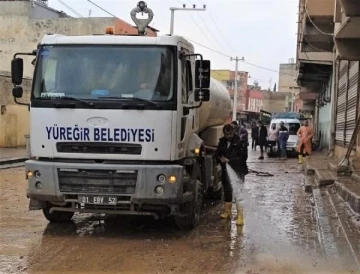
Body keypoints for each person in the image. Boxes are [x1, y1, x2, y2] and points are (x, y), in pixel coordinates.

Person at [216, 124, 248, 226]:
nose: (229, 136)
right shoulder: (222, 141)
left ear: (234, 132)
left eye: (230, 133)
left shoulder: (240, 142)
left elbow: (243, 157)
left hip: (238, 170)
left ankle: (240, 216)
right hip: (226, 170)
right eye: (226, 134)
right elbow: (218, 153)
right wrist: (220, 158)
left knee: (238, 192)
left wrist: (229, 160)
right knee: (227, 190)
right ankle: (227, 212)